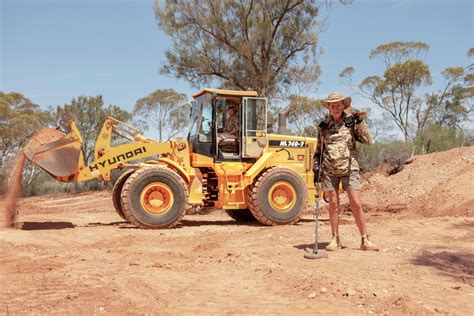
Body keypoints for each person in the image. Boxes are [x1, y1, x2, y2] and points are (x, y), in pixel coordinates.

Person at [314, 92, 379, 251]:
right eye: (332, 105)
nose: (335, 107)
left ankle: (365, 240)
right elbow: (319, 149)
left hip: (350, 169)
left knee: (355, 203)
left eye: (338, 104)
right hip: (329, 170)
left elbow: (367, 141)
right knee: (333, 205)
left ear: (343, 106)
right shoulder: (323, 126)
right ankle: (335, 239)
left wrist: (359, 122)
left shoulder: (350, 123)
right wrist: (316, 168)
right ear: (328, 107)